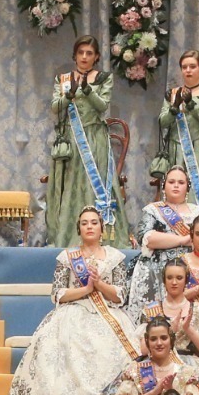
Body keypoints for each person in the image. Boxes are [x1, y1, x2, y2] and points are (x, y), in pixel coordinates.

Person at [0, 206, 137, 395]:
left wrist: (100, 286)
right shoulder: (68, 258)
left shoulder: (114, 257)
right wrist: (86, 289)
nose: (90, 226)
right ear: (79, 229)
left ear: (102, 227)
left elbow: (121, 295)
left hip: (108, 316)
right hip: (73, 313)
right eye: (84, 223)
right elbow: (58, 294)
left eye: (94, 222)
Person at [46, 37, 125, 249]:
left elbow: (102, 107)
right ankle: (67, 236)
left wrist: (87, 90)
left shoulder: (104, 78)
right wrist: (68, 95)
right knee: (71, 185)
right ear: (75, 54)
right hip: (72, 140)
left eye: (89, 53)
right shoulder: (63, 79)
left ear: (96, 56)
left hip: (95, 139)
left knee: (94, 184)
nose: (84, 57)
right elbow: (56, 107)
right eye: (81, 52)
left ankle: (103, 238)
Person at [155, 52, 199, 215]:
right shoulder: (172, 94)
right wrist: (174, 108)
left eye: (192, 66)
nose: (188, 70)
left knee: (198, 189)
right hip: (177, 149)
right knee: (176, 190)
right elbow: (162, 122)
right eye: (184, 67)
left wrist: (191, 103)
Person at [126, 168, 199, 312]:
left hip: (190, 265)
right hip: (156, 265)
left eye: (181, 182)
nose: (176, 185)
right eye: (171, 182)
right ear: (164, 186)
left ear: (187, 187)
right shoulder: (153, 210)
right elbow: (147, 238)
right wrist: (183, 240)